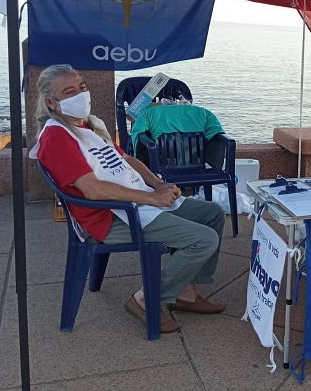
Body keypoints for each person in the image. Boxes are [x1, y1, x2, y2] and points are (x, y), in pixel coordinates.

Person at [29, 64, 226, 334]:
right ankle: (146, 298)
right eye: (69, 91)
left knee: (212, 214)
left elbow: (126, 160)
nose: (80, 94)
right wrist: (154, 199)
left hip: (134, 202)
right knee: (203, 239)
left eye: (82, 86)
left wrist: (157, 183)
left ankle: (185, 290)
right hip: (107, 217)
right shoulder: (56, 136)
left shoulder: (89, 125)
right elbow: (93, 190)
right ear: (52, 102)